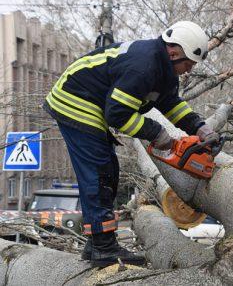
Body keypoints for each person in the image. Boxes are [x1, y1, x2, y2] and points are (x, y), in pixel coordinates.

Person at [43, 21, 219, 268]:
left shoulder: (163, 70)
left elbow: (170, 103)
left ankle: (96, 244)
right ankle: (103, 247)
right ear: (174, 53)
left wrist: (200, 128)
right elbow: (117, 113)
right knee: (100, 171)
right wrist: (157, 134)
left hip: (92, 102)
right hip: (75, 100)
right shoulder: (144, 66)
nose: (188, 70)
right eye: (188, 64)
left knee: (109, 170)